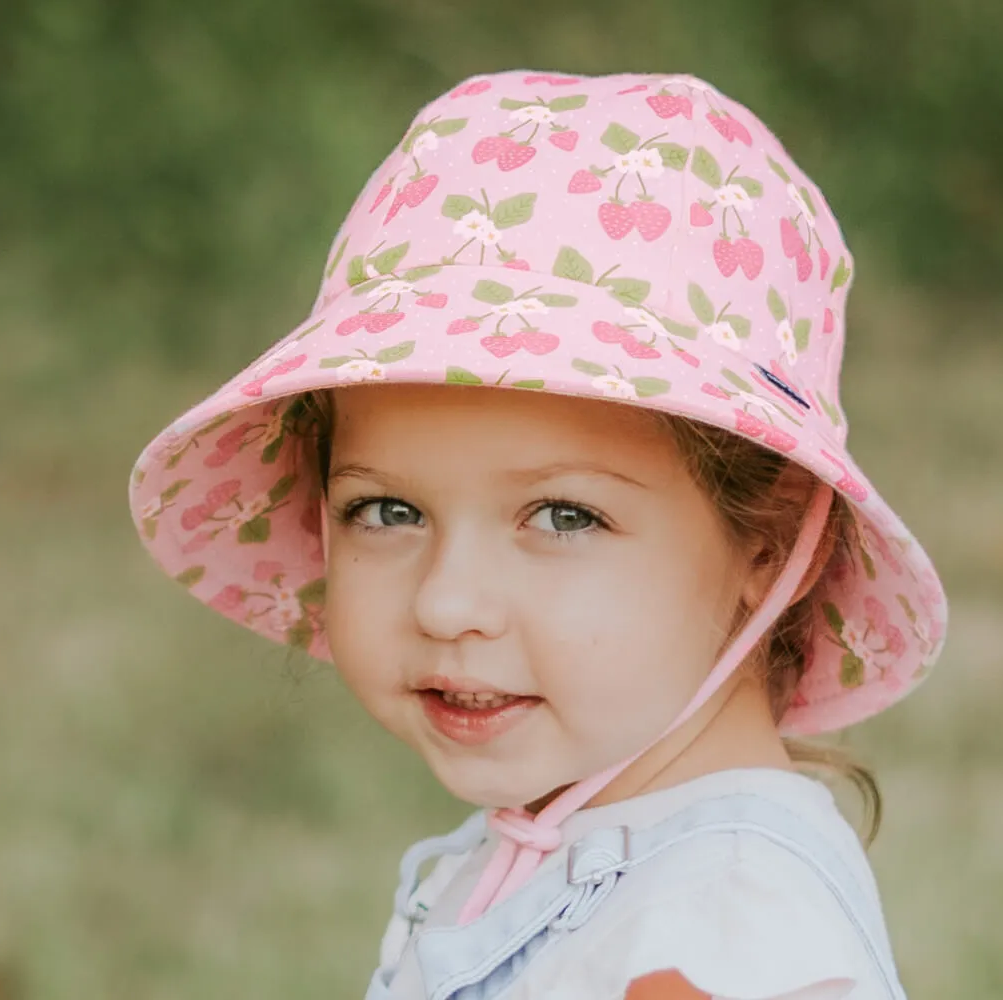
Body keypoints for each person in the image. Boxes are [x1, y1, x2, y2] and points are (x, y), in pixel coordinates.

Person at [129, 69, 947, 999]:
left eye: (564, 516)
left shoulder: (714, 939)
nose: (447, 603)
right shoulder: (584, 838)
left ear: (767, 541)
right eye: (387, 511)